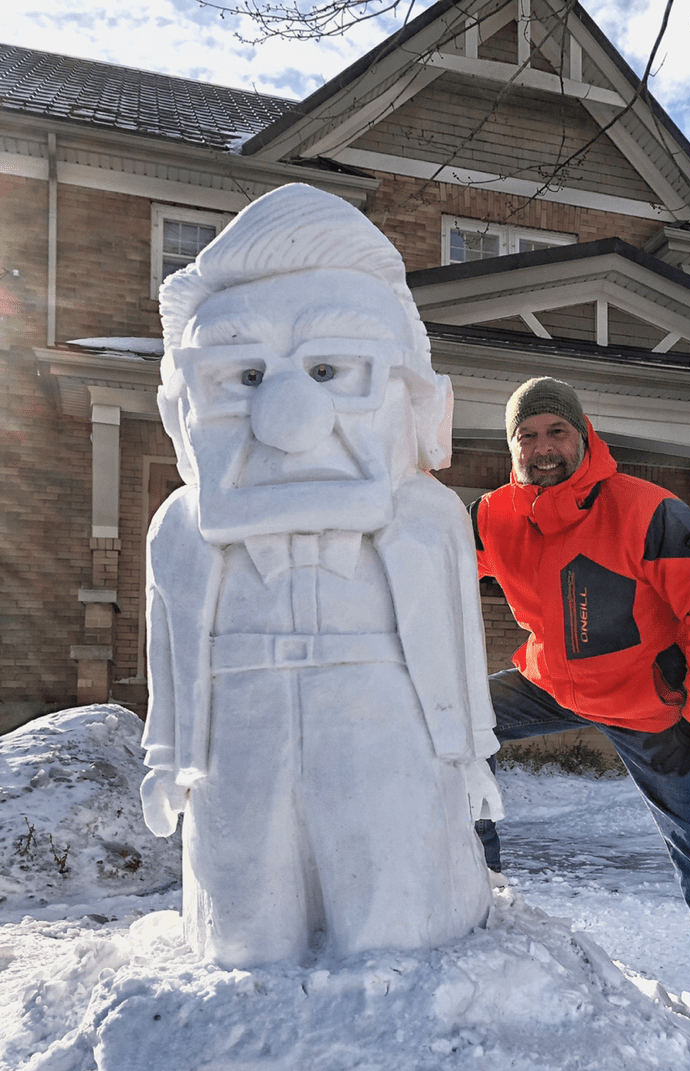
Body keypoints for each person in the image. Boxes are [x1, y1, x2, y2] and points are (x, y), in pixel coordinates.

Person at [141, 183, 501, 968]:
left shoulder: (427, 520)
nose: (288, 420)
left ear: (419, 406)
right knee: (244, 925)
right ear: (180, 414)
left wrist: (468, 750)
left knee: (395, 913)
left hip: (384, 727)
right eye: (240, 378)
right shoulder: (183, 530)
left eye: (334, 369)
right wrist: (166, 758)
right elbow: (172, 648)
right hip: (240, 731)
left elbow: (449, 639)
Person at [471, 377, 690, 1070]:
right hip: (553, 684)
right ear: (511, 446)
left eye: (555, 432)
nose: (542, 448)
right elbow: (426, 550)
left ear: (583, 434)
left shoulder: (651, 512)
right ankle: (478, 879)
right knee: (462, 722)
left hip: (650, 710)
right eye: (527, 435)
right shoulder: (495, 516)